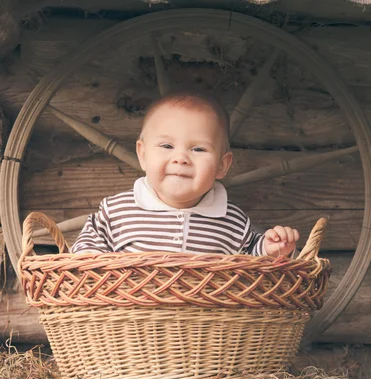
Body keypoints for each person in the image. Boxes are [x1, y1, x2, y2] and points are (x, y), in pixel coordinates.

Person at [71, 91, 300, 257]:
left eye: (198, 149)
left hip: (205, 321)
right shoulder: (118, 211)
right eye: (167, 146)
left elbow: (250, 259)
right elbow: (89, 246)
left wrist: (272, 249)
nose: (180, 158)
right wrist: (91, 261)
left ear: (222, 165)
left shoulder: (232, 221)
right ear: (142, 154)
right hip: (133, 319)